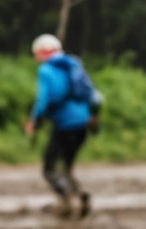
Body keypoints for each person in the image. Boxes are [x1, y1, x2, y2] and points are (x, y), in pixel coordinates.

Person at [23, 33, 100, 218]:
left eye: (37, 54)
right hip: (83, 124)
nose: (36, 59)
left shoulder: (47, 70)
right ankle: (80, 197)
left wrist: (35, 120)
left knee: (49, 168)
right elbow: (94, 96)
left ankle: (67, 202)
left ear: (44, 52)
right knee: (66, 167)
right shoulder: (74, 65)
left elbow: (45, 99)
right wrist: (93, 116)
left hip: (65, 125)